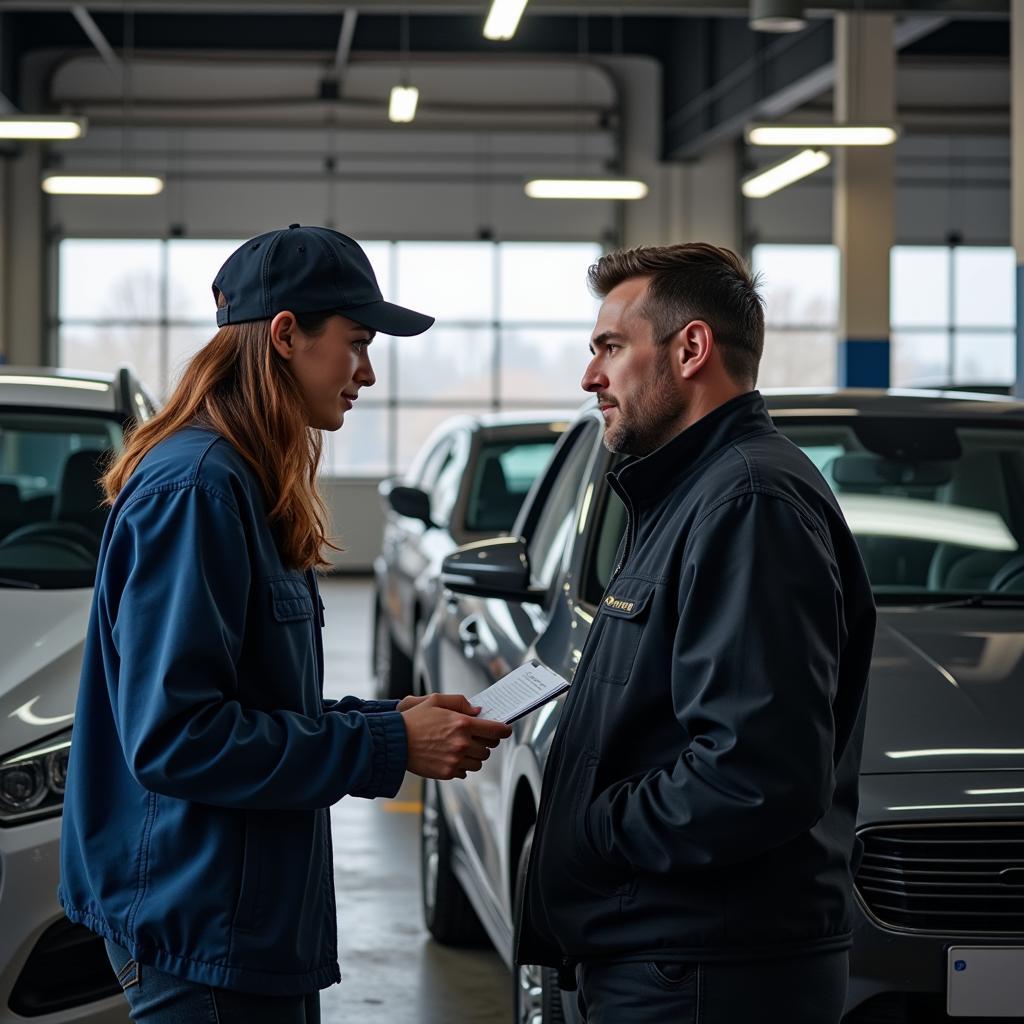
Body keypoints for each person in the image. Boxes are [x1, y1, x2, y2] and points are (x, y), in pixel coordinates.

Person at [58, 224, 512, 1024]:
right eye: (358, 343)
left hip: (242, 921)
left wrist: (387, 721)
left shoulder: (240, 480)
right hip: (199, 928)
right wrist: (384, 748)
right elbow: (177, 737)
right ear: (285, 335)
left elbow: (249, 704)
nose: (368, 372)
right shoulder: (196, 490)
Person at [514, 243, 876, 1023]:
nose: (590, 378)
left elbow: (754, 774)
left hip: (708, 975)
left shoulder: (747, 503)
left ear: (690, 349)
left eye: (610, 348)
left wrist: (595, 824)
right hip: (677, 958)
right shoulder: (690, 495)